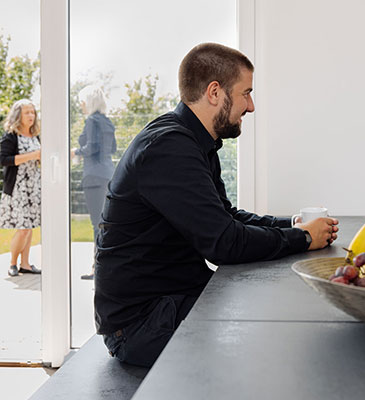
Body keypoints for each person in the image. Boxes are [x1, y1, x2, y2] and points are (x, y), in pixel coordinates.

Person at [94, 43, 339, 367]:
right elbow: (223, 243)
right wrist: (304, 238)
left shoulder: (194, 142)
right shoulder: (169, 148)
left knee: (279, 315)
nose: (251, 106)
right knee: (275, 345)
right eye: (246, 93)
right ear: (214, 92)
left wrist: (291, 226)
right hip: (142, 324)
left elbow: (225, 216)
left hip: (173, 300)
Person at [71, 85, 117, 280]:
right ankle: (105, 265)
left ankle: (97, 268)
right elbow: (112, 148)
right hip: (107, 174)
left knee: (96, 223)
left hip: (93, 176)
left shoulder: (91, 120)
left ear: (88, 101)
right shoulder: (107, 122)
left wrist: (75, 152)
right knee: (105, 222)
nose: (81, 105)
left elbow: (92, 147)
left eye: (82, 101)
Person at [0, 100, 42, 276]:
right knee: (23, 228)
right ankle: (12, 263)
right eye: (27, 113)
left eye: (32, 112)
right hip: (18, 188)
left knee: (30, 227)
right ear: (19, 115)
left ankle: (25, 264)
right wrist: (32, 155)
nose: (31, 116)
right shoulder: (11, 135)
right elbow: (3, 160)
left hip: (34, 187)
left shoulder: (36, 135)